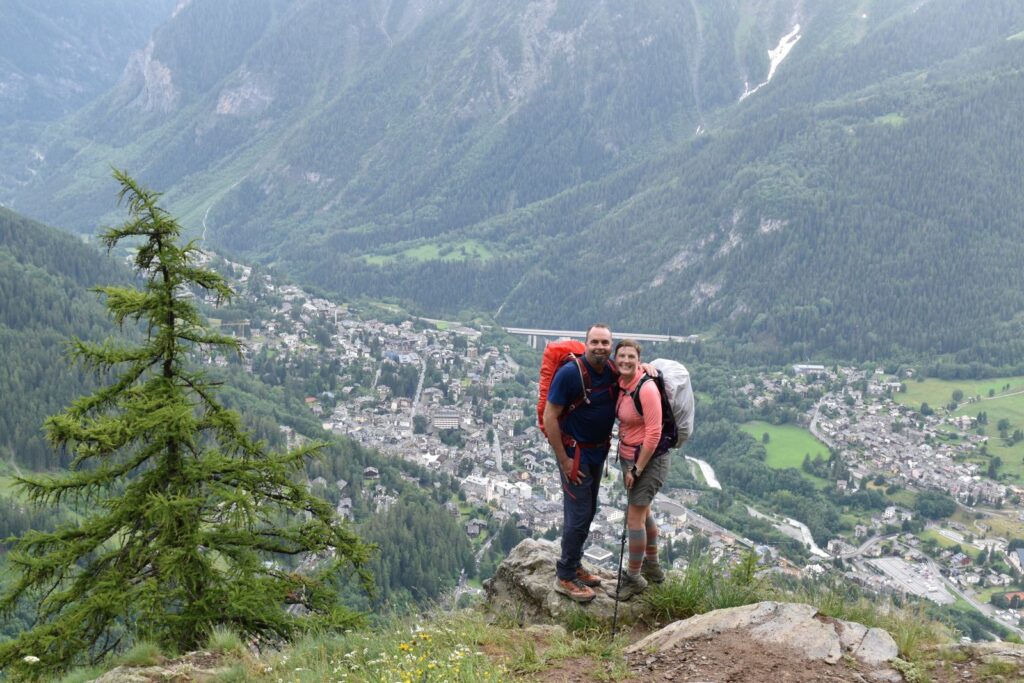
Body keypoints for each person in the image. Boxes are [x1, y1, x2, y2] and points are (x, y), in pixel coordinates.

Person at [543, 323, 618, 602]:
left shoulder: (611, 371)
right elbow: (551, 417)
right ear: (586, 344)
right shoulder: (569, 374)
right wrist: (563, 459)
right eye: (595, 342)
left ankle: (574, 564)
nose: (600, 347)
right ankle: (564, 575)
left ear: (611, 346)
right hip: (574, 455)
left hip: (597, 452)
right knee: (578, 515)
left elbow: (634, 375)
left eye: (605, 343)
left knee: (588, 512)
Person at [608, 339, 668, 600]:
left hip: (647, 461)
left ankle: (634, 578)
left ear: (639, 358)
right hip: (631, 457)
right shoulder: (622, 382)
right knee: (643, 512)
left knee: (634, 519)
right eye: (621, 356)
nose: (625, 361)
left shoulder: (646, 388)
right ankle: (652, 567)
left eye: (631, 357)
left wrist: (637, 469)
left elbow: (654, 434)